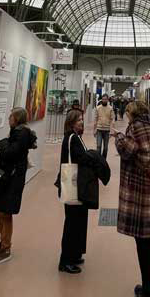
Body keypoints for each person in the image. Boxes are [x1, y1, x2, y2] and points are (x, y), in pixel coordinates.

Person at [113, 100, 150, 297]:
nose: (126, 115)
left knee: (143, 242)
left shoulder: (135, 127)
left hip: (141, 192)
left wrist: (118, 137)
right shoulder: (149, 126)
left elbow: (129, 151)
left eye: (127, 112)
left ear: (132, 113)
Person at [0, 107, 37, 266]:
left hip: (12, 178)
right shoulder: (16, 132)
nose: (9, 118)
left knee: (5, 212)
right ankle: (3, 241)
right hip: (5, 176)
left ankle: (6, 248)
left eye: (11, 116)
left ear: (17, 118)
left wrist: (2, 144)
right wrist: (5, 144)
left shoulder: (22, 134)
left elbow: (10, 152)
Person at [59, 110, 89, 274]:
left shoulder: (75, 137)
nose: (81, 122)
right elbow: (80, 158)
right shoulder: (72, 138)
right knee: (72, 222)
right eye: (78, 120)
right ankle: (66, 261)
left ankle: (75, 254)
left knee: (78, 220)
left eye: (82, 119)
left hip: (76, 184)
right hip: (73, 184)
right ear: (71, 123)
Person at [93, 94, 114, 159]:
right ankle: (98, 160)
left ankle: (103, 160)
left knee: (105, 148)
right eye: (103, 99)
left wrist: (111, 131)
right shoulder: (98, 108)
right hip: (99, 129)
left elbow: (112, 120)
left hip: (107, 130)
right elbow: (95, 119)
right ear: (101, 99)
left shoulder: (110, 108)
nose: (104, 100)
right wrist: (94, 130)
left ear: (107, 100)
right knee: (98, 146)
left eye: (105, 99)